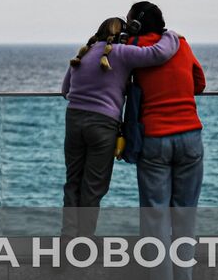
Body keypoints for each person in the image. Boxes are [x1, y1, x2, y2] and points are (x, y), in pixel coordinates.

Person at [60, 18, 179, 238]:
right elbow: (159, 53)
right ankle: (84, 241)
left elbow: (65, 90)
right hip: (103, 124)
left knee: (73, 181)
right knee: (93, 186)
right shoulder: (121, 52)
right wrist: (170, 34)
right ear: (122, 35)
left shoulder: (83, 53)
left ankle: (67, 238)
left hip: (74, 120)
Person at [126, 1, 206, 280]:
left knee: (156, 216)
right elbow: (199, 82)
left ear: (135, 24)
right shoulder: (181, 44)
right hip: (190, 136)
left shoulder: (134, 48)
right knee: (185, 214)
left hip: (155, 138)